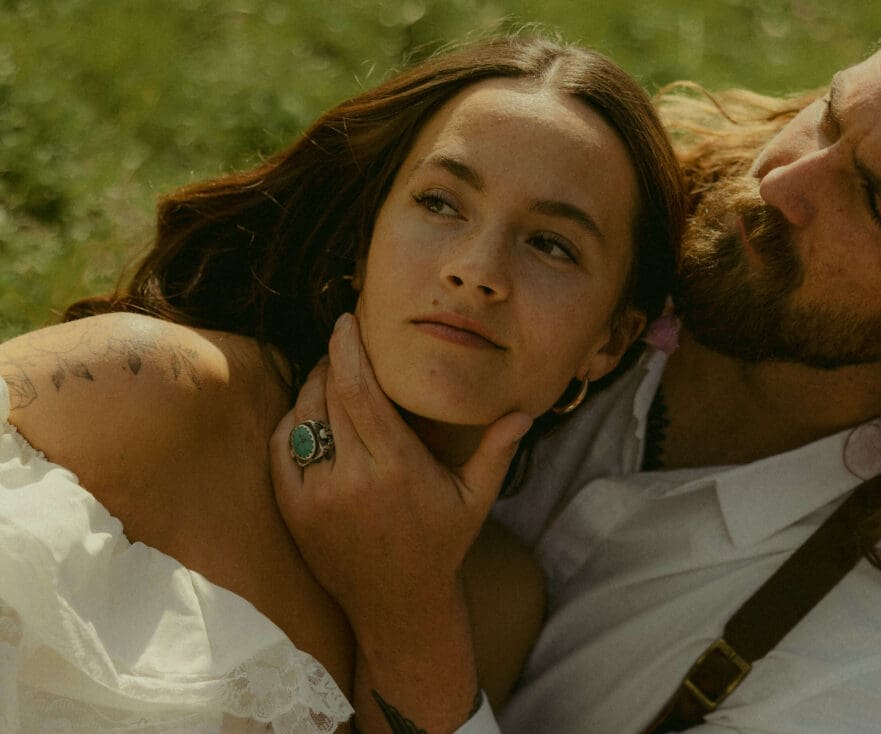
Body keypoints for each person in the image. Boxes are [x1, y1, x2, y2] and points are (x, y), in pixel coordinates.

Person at [273, 1, 881, 732]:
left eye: (873, 203)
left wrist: (406, 617)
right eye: (830, 116)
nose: (781, 183)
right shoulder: (594, 204)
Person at [0, 37, 686, 732]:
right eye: (440, 203)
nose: (477, 271)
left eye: (551, 245)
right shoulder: (144, 388)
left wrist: (412, 607)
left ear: (608, 342)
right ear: (363, 242)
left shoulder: (499, 603)